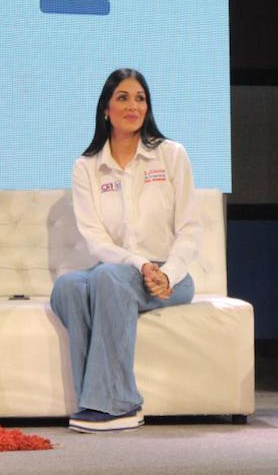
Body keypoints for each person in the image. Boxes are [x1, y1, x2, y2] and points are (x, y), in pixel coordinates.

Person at [50, 68, 200, 433]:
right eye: (123, 97)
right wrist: (139, 264)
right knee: (68, 286)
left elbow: (190, 230)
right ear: (105, 109)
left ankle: (121, 404)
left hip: (171, 276)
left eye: (140, 98)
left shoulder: (171, 155)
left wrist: (165, 272)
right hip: (117, 269)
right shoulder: (86, 166)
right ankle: (94, 399)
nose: (133, 105)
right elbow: (95, 240)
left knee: (108, 279)